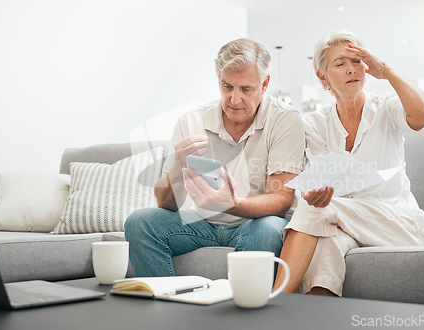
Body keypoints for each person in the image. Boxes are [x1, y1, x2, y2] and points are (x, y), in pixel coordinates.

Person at [273, 31, 424, 297]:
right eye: (340, 64)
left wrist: (386, 71)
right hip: (343, 223)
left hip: (398, 223)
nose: (352, 70)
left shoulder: (386, 107)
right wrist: (317, 194)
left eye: (357, 61)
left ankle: (277, 302)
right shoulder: (314, 124)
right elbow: (320, 180)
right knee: (324, 245)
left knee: (315, 212)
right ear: (322, 76)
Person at [125, 38, 305, 277]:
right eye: (227, 86)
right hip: (202, 224)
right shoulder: (191, 121)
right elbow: (165, 204)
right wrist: (179, 167)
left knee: (270, 228)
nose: (234, 99)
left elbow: (281, 200)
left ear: (264, 84)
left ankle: (247, 311)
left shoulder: (285, 120)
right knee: (140, 222)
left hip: (256, 223)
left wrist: (232, 204)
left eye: (246, 89)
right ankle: (164, 307)